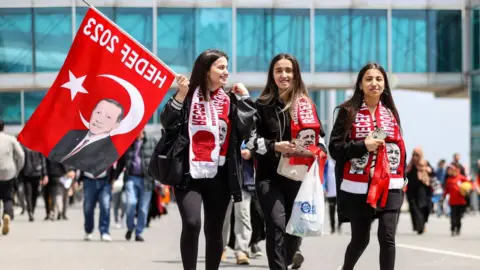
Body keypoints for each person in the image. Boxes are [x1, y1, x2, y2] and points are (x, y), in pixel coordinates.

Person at [160, 49, 255, 270]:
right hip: (188, 172)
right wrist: (180, 95)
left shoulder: (230, 99)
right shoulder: (187, 95)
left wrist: (245, 98)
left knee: (214, 231)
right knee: (192, 224)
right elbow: (167, 122)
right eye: (220, 67)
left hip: (220, 174)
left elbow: (248, 129)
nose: (226, 72)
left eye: (226, 67)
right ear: (206, 70)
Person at [246, 53, 327, 270]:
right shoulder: (260, 105)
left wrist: (316, 150)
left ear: (296, 74)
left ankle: (291, 256)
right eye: (279, 70)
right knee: (276, 225)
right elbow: (251, 141)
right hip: (269, 177)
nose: (284, 75)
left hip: (298, 177)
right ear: (272, 75)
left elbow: (320, 138)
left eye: (288, 71)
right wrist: (275, 146)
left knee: (293, 230)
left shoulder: (307, 105)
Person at [329, 62, 406, 270]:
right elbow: (335, 149)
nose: (374, 83)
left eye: (379, 79)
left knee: (387, 236)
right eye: (369, 79)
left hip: (389, 184)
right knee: (360, 240)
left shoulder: (391, 113)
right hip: (358, 187)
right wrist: (363, 145)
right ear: (360, 84)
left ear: (385, 84)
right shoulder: (347, 111)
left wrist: (402, 177)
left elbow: (400, 146)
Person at [48, 98, 123, 176]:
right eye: (98, 112)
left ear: (116, 124)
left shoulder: (110, 151)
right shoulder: (72, 134)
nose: (99, 120)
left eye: (108, 117)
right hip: (55, 175)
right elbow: (54, 153)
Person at [115, 129, 157, 242]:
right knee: (130, 203)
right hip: (131, 178)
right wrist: (114, 178)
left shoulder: (152, 142)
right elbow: (121, 162)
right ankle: (130, 227)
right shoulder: (128, 143)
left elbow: (158, 161)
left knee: (143, 209)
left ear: (143, 129)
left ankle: (139, 232)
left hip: (147, 180)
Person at [221, 141, 257, 265]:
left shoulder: (252, 127)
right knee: (223, 217)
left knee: (243, 215)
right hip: (224, 178)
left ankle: (242, 250)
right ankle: (220, 248)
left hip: (244, 179)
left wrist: (251, 152)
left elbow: (262, 145)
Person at [79, 164, 118, 242]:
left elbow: (115, 163)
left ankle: (104, 232)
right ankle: (88, 230)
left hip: (105, 181)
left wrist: (114, 177)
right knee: (88, 208)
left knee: (105, 206)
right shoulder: (84, 151)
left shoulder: (109, 151)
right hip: (89, 180)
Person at [0, 120, 25, 235]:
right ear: (3, 127)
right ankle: (7, 214)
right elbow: (21, 155)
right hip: (8, 172)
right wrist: (17, 170)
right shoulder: (10, 139)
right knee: (8, 197)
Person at [406, 147, 434, 234]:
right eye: (414, 155)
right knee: (415, 209)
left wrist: (426, 169)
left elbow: (433, 173)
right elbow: (404, 175)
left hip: (424, 190)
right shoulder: (410, 165)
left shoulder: (425, 164)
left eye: (417, 155)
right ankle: (419, 227)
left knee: (426, 208)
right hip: (411, 191)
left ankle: (422, 224)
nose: (415, 157)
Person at [18, 145, 48, 222]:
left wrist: (44, 174)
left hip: (29, 173)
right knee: (32, 194)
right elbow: (43, 161)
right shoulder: (28, 147)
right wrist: (44, 174)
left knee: (31, 194)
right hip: (34, 173)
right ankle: (31, 211)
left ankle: (31, 211)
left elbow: (43, 160)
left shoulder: (24, 148)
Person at [443, 165, 469, 236]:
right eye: (448, 170)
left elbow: (469, 183)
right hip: (452, 202)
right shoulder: (449, 180)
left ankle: (458, 228)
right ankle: (452, 229)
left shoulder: (461, 177)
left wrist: (468, 189)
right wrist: (444, 196)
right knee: (453, 217)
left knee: (459, 217)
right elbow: (446, 190)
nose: (449, 171)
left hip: (461, 201)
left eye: (451, 170)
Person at [325, 157, 341, 234]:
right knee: (331, 210)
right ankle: (333, 227)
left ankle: (339, 225)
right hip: (330, 191)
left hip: (340, 191)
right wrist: (324, 187)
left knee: (341, 210)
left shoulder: (341, 161)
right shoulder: (328, 163)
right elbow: (324, 175)